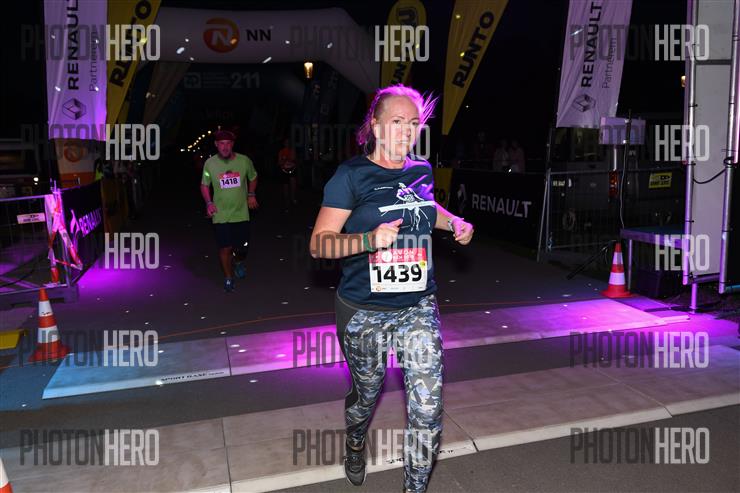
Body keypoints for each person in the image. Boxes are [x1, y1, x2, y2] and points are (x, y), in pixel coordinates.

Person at [309, 84, 474, 493]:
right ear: (376, 126)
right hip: (364, 309)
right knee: (367, 394)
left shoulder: (421, 170)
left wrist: (453, 222)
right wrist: (369, 239)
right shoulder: (351, 176)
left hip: (418, 304)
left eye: (413, 123)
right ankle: (354, 440)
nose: (406, 131)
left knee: (428, 409)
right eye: (397, 121)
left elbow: (426, 208)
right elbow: (319, 244)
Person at [200, 129, 259, 292]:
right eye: (221, 144)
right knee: (225, 247)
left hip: (241, 213)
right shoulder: (210, 164)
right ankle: (228, 277)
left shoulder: (244, 161)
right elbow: (204, 185)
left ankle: (238, 261)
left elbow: (253, 177)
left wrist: (251, 194)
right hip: (220, 214)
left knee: (242, 248)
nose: (225, 147)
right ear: (216, 145)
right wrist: (209, 203)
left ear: (232, 144)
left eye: (228, 143)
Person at [277, 137, 298, 211]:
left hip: (292, 170)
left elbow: (294, 160)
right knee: (285, 187)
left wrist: (290, 161)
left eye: (288, 142)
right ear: (284, 143)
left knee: (293, 185)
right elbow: (279, 162)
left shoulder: (292, 151)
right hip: (284, 171)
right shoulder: (281, 152)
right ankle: (286, 202)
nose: (287, 143)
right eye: (286, 142)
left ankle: (293, 199)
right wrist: (284, 161)